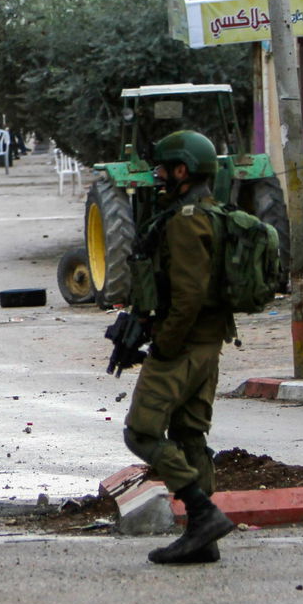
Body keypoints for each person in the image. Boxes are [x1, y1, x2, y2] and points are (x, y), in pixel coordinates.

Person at [123, 130, 237, 565]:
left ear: (183, 171)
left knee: (142, 431)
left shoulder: (187, 219)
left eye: (165, 168)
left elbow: (188, 294)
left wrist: (165, 345)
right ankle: (200, 538)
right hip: (209, 341)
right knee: (190, 435)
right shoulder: (213, 212)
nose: (159, 176)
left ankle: (203, 513)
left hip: (185, 344)